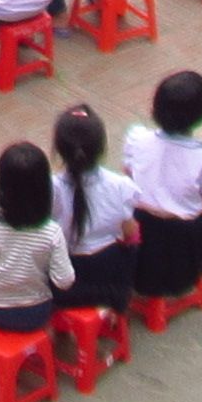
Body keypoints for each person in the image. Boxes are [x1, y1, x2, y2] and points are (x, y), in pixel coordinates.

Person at [125, 68, 202, 297]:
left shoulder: (136, 140)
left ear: (154, 108)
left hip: (135, 257)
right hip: (182, 267)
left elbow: (127, 181)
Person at [0, 141, 80, 335]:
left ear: (0, 185)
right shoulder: (51, 232)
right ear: (44, 188)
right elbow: (65, 280)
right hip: (34, 313)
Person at [51, 103, 141, 316]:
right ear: (102, 147)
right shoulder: (121, 187)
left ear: (59, 149)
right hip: (108, 285)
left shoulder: (49, 188)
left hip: (61, 287)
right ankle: (113, 312)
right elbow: (131, 233)